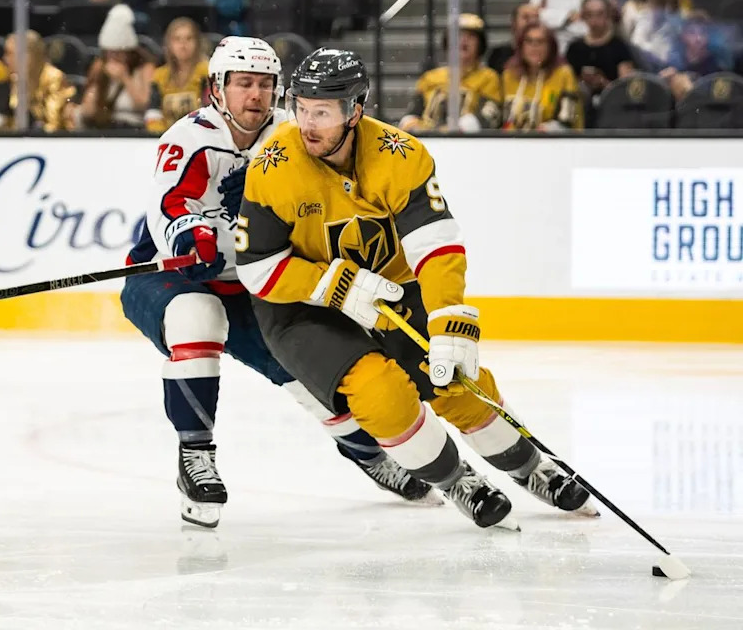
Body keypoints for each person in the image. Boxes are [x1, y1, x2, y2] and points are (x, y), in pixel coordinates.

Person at [236, 48, 598, 529]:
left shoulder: (401, 155)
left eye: (321, 111)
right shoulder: (274, 164)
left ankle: (532, 467)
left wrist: (448, 316)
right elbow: (256, 266)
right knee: (380, 393)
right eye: (301, 108)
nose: (307, 124)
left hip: (389, 287)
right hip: (302, 308)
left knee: (454, 376)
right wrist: (333, 286)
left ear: (355, 110)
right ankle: (455, 481)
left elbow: (435, 243)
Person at [120, 37, 439, 529]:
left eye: (266, 85)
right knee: (196, 318)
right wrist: (193, 234)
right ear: (216, 89)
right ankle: (195, 457)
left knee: (312, 376)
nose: (256, 95)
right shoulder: (189, 138)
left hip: (252, 283)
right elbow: (168, 211)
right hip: (171, 276)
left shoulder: (290, 139)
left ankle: (371, 456)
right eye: (244, 83)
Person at [399, 14, 501, 134]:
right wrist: (412, 126)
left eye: (471, 36)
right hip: (429, 141)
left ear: (480, 45)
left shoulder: (488, 77)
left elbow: (490, 115)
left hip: (468, 143)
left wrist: (457, 130)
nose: (464, 40)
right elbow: (413, 113)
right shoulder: (430, 77)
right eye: (458, 35)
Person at [76, 4, 155, 130]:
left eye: (118, 53)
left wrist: (125, 78)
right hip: (105, 127)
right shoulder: (99, 66)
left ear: (129, 52)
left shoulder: (144, 68)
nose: (113, 57)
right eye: (109, 52)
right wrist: (97, 82)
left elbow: (144, 104)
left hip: (134, 128)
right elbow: (88, 110)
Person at [565, 0, 635, 124]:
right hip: (580, 107)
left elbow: (626, 87)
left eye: (599, 14)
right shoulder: (575, 47)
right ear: (583, 16)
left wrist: (604, 83)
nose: (594, 20)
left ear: (608, 15)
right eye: (589, 14)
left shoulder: (619, 46)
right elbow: (566, 81)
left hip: (613, 106)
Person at [502, 24, 583, 131]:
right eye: (529, 41)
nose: (534, 46)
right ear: (521, 46)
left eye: (540, 42)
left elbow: (567, 119)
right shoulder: (509, 75)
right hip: (511, 142)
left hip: (555, 141)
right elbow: (500, 117)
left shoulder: (564, 74)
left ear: (551, 47)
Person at [145, 17, 210, 134]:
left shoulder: (207, 72)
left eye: (189, 38)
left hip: (200, 136)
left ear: (197, 42)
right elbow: (153, 113)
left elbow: (211, 112)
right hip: (166, 137)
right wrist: (162, 135)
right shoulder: (159, 76)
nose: (183, 44)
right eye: (177, 39)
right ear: (169, 44)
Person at [4, 30, 77, 132]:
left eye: (10, 54)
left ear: (28, 56)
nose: (5, 59)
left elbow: (55, 124)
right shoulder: (12, 79)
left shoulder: (54, 78)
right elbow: (9, 123)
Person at [530, 0, 614, 53]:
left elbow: (607, 20)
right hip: (553, 46)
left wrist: (546, 14)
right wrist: (566, 17)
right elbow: (531, 14)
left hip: (591, 46)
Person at [486, 3, 540, 75]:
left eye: (536, 17)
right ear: (514, 23)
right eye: (526, 17)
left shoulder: (549, 55)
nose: (532, 22)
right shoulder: (498, 54)